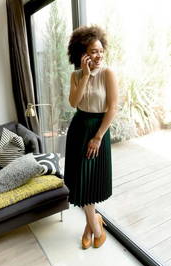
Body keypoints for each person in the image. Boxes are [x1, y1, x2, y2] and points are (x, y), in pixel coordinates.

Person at [64, 25, 118, 249]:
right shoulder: (76, 75)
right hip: (78, 129)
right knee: (80, 182)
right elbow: (74, 103)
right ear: (82, 54)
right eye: (93, 51)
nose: (98, 55)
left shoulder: (108, 73)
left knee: (90, 182)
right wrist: (85, 75)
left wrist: (97, 138)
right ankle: (95, 226)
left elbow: (113, 108)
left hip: (98, 131)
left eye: (100, 50)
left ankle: (92, 225)